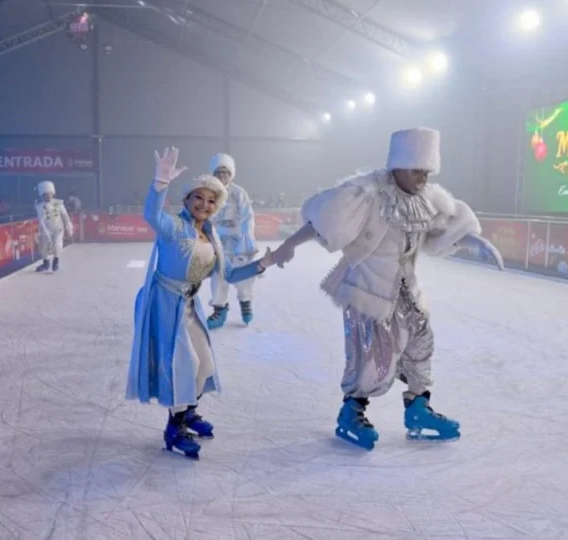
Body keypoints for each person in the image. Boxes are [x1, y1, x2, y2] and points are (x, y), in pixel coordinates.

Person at [271, 127, 504, 449]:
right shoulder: (366, 194)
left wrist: (474, 239)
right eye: (415, 171)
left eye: (426, 171)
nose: (422, 178)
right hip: (368, 291)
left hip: (407, 291)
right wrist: (289, 245)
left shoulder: (427, 199)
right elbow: (324, 221)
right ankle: (352, 412)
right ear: (397, 166)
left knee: (421, 344)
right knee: (372, 357)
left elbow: (444, 228)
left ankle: (419, 408)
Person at [126, 147, 277, 460]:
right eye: (199, 197)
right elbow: (151, 215)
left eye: (212, 201)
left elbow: (231, 274)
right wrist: (159, 184)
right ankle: (174, 427)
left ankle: (190, 412)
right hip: (167, 305)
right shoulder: (174, 227)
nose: (204, 205)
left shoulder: (212, 237)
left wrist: (265, 262)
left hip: (190, 307)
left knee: (205, 364)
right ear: (187, 199)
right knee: (186, 365)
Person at [205, 153, 258, 328]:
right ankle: (219, 310)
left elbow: (247, 217)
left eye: (225, 172)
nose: (221, 176)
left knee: (243, 276)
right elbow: (205, 216)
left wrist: (246, 243)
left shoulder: (238, 193)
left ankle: (245, 303)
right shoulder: (210, 193)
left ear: (231, 174)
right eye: (218, 172)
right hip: (218, 242)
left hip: (238, 242)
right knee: (218, 277)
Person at [34, 181, 73, 273]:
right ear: (42, 195)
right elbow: (41, 220)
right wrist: (46, 233)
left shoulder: (59, 203)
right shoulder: (39, 206)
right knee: (43, 248)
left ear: (52, 193)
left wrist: (68, 225)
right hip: (45, 229)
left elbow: (65, 215)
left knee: (57, 244)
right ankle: (46, 263)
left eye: (49, 194)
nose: (48, 196)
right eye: (46, 195)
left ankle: (56, 262)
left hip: (58, 228)